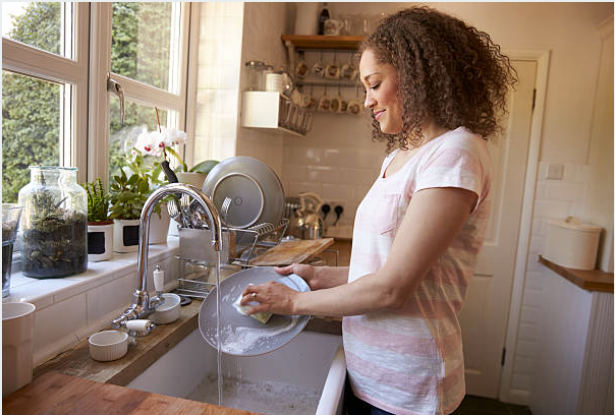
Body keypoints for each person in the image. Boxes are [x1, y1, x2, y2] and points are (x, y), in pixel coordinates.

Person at [240, 6, 516, 415]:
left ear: (415, 76)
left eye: (374, 84)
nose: (367, 100)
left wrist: (293, 302)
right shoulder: (400, 155)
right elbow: (384, 267)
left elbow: (393, 288)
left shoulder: (455, 153)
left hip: (411, 388)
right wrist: (319, 277)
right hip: (367, 375)